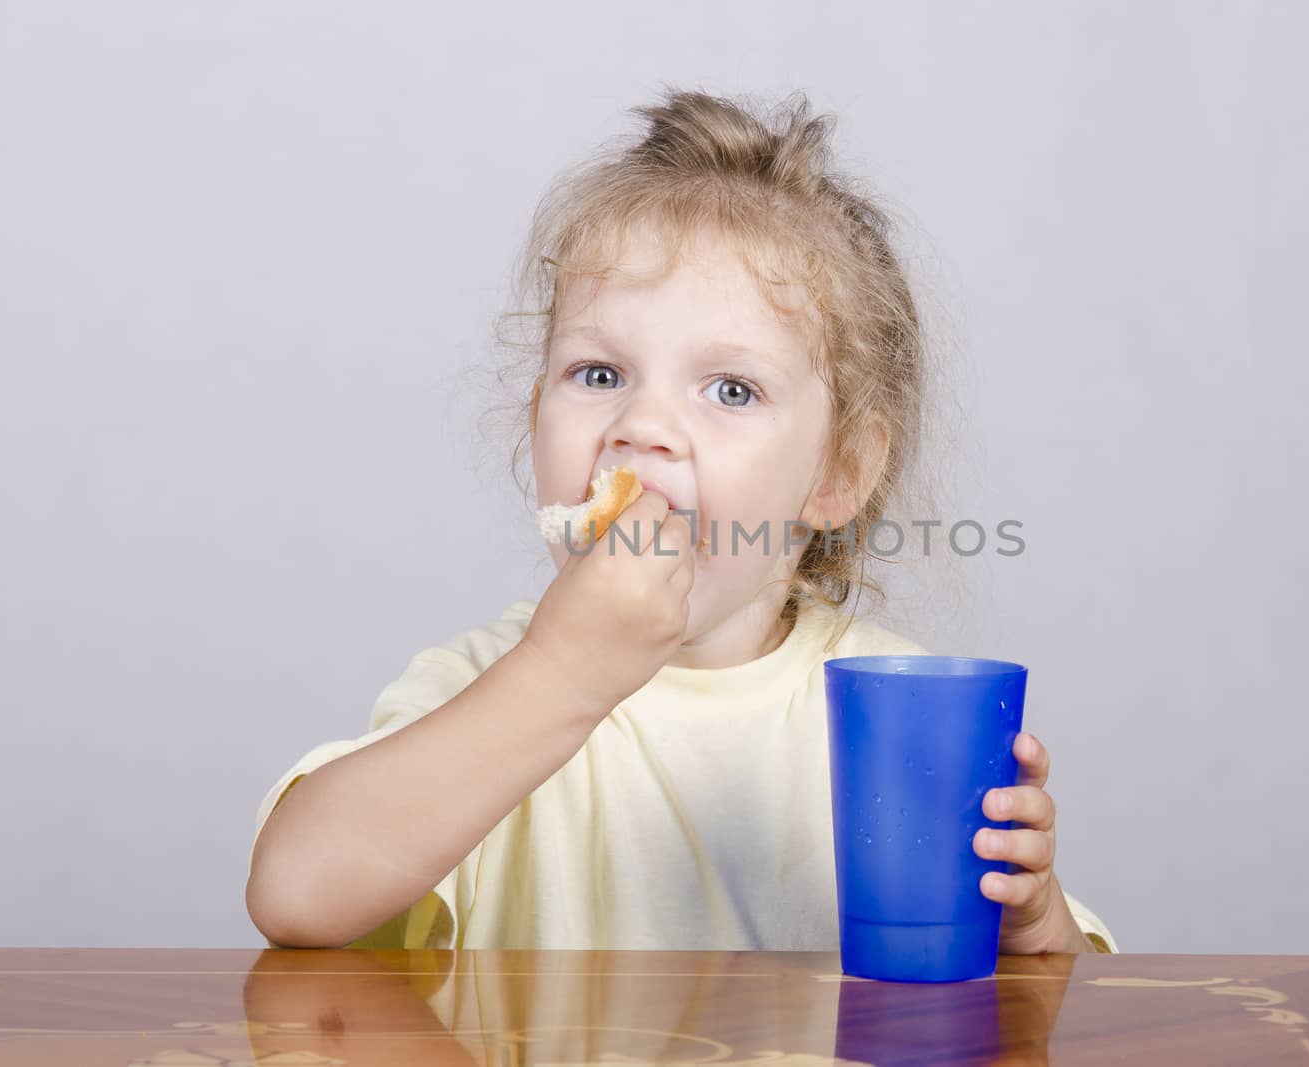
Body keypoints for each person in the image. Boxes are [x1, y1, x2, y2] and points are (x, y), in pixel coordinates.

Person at [245, 87, 1118, 956]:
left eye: (730, 389)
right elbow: (294, 893)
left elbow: (1066, 1023)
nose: (642, 426)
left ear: (840, 472)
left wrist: (1030, 927)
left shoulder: (896, 707)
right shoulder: (483, 687)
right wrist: (561, 676)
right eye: (597, 373)